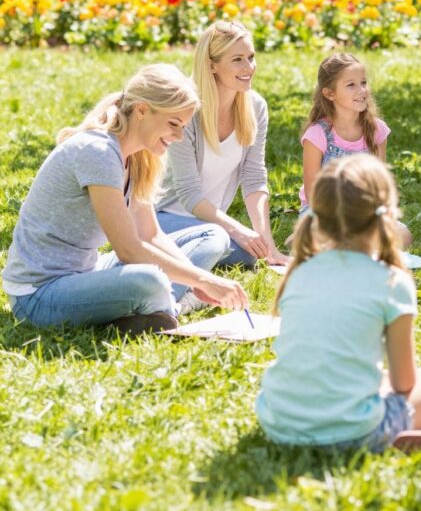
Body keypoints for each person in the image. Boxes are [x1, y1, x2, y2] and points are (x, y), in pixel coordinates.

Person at [256, 156, 421, 452]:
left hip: (279, 423)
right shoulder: (392, 281)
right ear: (387, 214)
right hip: (354, 430)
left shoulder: (298, 271)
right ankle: (407, 435)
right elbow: (404, 384)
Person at [3, 64, 249, 335]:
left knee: (212, 236)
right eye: (173, 124)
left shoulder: (136, 156)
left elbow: (152, 235)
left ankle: (159, 306)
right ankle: (168, 305)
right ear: (142, 110)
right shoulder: (97, 152)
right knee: (151, 279)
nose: (179, 137)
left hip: (86, 271)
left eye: (183, 127)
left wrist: (201, 281)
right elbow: (129, 251)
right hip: (40, 295)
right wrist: (203, 279)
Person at [157, 20, 287, 268]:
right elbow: (188, 193)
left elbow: (254, 176)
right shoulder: (185, 111)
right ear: (212, 65)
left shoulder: (255, 106)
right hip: (163, 218)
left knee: (250, 253)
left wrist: (267, 243)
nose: (249, 67)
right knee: (221, 241)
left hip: (210, 223)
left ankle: (182, 257)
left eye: (251, 56)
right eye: (237, 59)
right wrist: (237, 230)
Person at [298, 53, 389, 209]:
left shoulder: (376, 129)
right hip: (323, 210)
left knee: (403, 233)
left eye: (364, 82)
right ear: (329, 93)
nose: (361, 90)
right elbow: (312, 194)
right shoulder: (317, 135)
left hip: (364, 209)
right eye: (351, 85)